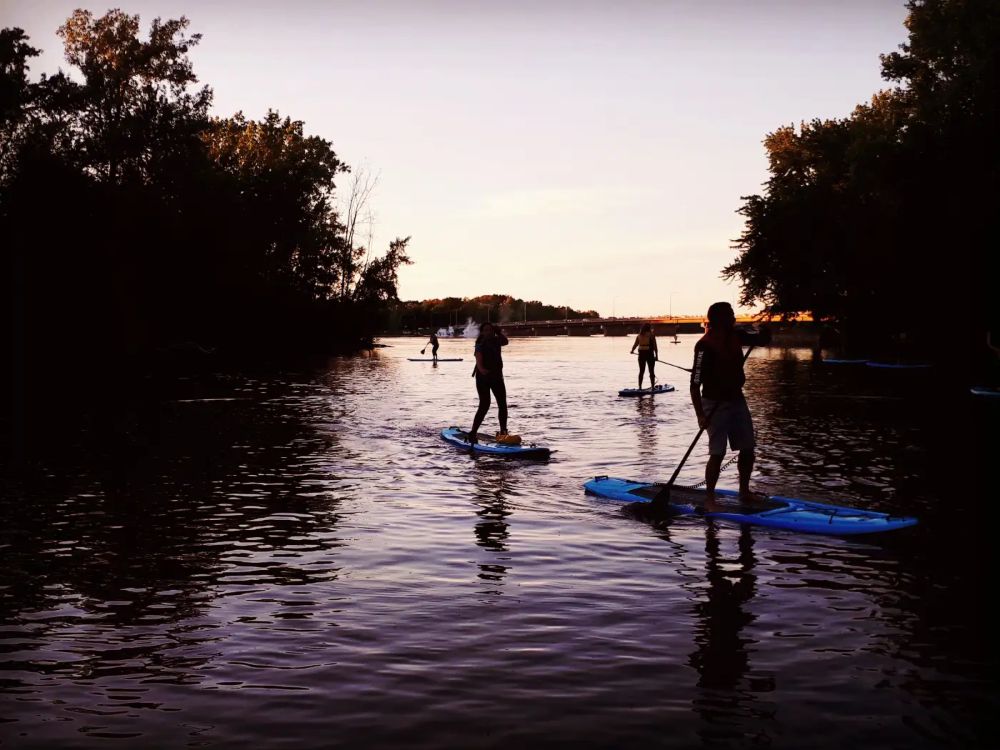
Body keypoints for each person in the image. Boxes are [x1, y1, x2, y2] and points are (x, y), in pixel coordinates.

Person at [690, 302, 769, 510]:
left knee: (748, 448)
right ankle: (709, 499)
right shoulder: (704, 345)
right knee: (718, 452)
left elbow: (762, 340)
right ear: (719, 319)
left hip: (736, 399)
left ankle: (744, 492)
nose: (734, 317)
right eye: (730, 314)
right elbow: (694, 384)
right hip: (713, 402)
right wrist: (700, 415)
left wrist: (764, 332)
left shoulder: (737, 335)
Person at [467, 322, 509, 444]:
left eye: (490, 330)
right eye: (485, 330)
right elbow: (479, 361)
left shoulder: (497, 340)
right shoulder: (480, 343)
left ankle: (503, 432)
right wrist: (483, 371)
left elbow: (506, 341)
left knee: (502, 404)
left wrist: (499, 332)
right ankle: (473, 432)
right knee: (484, 405)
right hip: (483, 378)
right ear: (482, 332)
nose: (488, 332)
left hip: (497, 377)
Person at [630, 323, 658, 389]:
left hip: (641, 354)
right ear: (649, 328)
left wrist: (632, 351)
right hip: (649, 354)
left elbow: (635, 345)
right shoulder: (652, 335)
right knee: (651, 371)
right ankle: (653, 387)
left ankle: (640, 387)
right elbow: (655, 347)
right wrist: (656, 356)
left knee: (641, 371)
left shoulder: (639, 335)